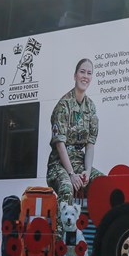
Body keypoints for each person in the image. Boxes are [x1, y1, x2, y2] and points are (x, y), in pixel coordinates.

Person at [46, 58, 103, 207]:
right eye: (82, 72)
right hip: (58, 165)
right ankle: (62, 231)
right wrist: (71, 174)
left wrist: (88, 172)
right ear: (75, 75)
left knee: (103, 184)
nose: (85, 76)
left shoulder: (91, 107)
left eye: (89, 73)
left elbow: (90, 144)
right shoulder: (63, 105)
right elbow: (59, 144)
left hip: (80, 162)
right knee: (66, 188)